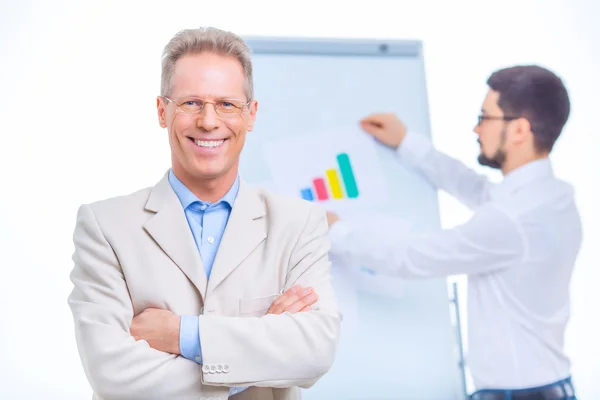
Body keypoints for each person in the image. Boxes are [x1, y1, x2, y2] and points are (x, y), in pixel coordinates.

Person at [67, 27, 341, 400]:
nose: (209, 121)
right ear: (163, 112)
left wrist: (183, 335)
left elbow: (314, 350)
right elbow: (111, 372)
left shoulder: (298, 224)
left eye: (227, 104)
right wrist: (258, 353)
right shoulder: (106, 226)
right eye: (191, 103)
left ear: (251, 115)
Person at [326, 65, 580, 399]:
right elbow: (474, 188)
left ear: (519, 130)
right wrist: (407, 143)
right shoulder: (551, 196)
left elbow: (411, 257)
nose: (477, 128)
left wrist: (336, 231)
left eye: (485, 117)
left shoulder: (514, 219)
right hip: (549, 387)